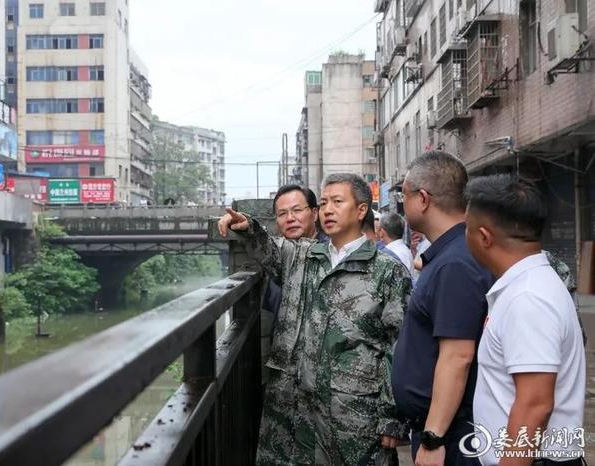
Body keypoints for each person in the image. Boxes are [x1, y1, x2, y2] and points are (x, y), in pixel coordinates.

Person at [218, 173, 412, 466]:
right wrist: (246, 226)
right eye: (323, 203)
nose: (328, 210)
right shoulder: (302, 255)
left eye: (337, 202)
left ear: (361, 210)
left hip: (352, 414)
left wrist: (392, 418)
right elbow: (267, 247)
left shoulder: (387, 271)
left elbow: (398, 347)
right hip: (292, 409)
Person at [464, 175, 586, 465]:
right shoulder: (528, 285)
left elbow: (535, 405)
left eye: (465, 229)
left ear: (484, 236)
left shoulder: (528, 298)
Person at [391, 151, 493, 466]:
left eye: (402, 195)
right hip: (443, 426)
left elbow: (458, 356)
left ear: (422, 199)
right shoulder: (450, 254)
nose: (401, 203)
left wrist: (434, 438)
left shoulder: (455, 263)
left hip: (452, 435)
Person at [263, 185, 327, 337]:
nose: (290, 218)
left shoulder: (331, 253)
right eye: (282, 213)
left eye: (297, 210)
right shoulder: (276, 257)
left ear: (314, 213)